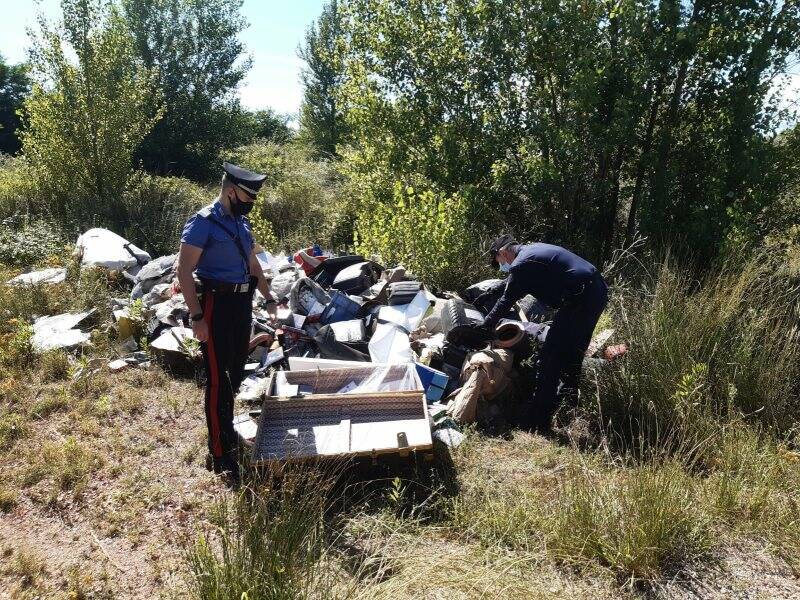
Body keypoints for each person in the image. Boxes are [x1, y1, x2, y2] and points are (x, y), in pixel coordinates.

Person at [176, 162, 277, 482]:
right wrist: (196, 317)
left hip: (241, 304)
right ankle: (220, 456)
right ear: (231, 192)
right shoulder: (203, 222)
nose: (251, 203)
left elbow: (253, 266)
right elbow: (183, 271)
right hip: (215, 306)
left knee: (233, 375)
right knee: (218, 382)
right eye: (248, 197)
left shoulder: (242, 225)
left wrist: (270, 298)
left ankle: (226, 434)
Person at [483, 234, 608, 429]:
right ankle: (568, 408)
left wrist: (484, 326)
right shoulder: (532, 251)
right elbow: (511, 283)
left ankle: (537, 421)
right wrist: (491, 292)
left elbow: (507, 299)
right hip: (597, 291)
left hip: (580, 300)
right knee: (573, 353)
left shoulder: (522, 264)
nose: (501, 266)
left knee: (549, 356)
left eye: (498, 261)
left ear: (502, 252)